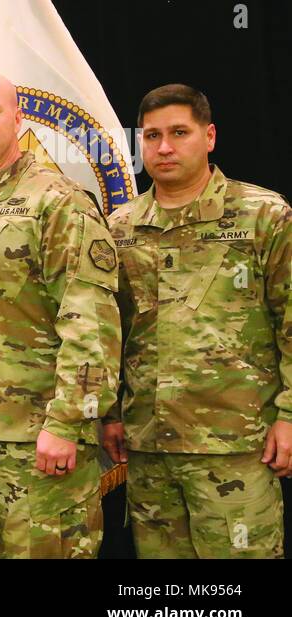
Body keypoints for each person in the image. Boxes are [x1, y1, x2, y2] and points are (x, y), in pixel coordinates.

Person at [0, 73, 121, 558]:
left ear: (17, 118)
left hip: (38, 436)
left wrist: (67, 422)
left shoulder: (57, 201)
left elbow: (90, 321)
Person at [102, 84, 289, 558]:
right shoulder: (119, 228)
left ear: (209, 136)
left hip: (235, 445)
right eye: (152, 136)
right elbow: (108, 331)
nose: (164, 147)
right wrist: (110, 413)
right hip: (148, 446)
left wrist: (289, 416)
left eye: (179, 132)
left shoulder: (261, 214)